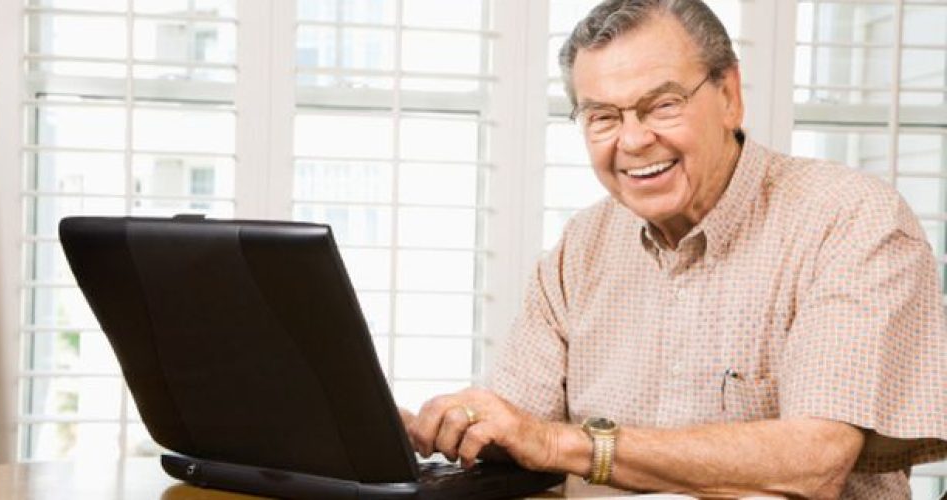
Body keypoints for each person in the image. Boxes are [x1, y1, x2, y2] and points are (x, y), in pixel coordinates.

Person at [402, 1, 947, 498]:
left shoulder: (850, 218)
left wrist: (562, 445)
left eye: (661, 105)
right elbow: (521, 432)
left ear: (729, 96)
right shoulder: (580, 248)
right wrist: (431, 433)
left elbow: (817, 459)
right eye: (603, 117)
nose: (633, 141)